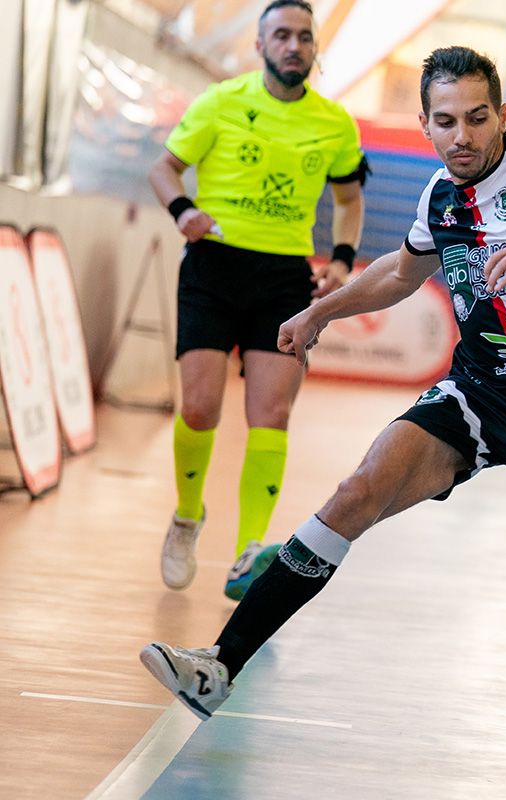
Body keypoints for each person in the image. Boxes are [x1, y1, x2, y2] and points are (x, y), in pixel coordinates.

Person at [140, 46, 506, 759]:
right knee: (356, 492)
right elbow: (401, 271)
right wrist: (320, 314)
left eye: (478, 118)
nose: (462, 136)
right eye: (446, 121)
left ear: (503, 116)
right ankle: (221, 664)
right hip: (477, 394)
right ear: (426, 124)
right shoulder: (439, 196)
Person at [147, 0, 368, 601]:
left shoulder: (334, 123)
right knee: (200, 408)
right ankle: (188, 515)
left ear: (314, 48)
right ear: (260, 45)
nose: (293, 45)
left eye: (304, 36)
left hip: (283, 279)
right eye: (281, 35)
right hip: (214, 268)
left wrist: (343, 260)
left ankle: (248, 553)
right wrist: (182, 210)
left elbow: (349, 200)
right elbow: (164, 169)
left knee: (270, 415)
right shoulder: (220, 102)